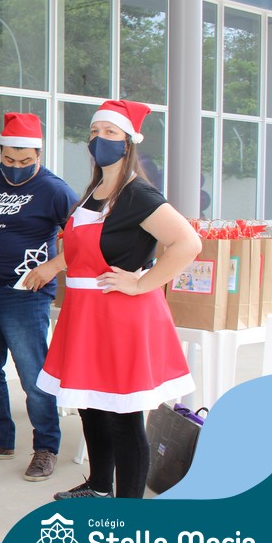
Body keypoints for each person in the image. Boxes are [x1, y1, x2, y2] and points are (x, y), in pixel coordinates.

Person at [34, 99, 200, 499]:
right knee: (91, 405)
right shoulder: (94, 191)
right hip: (85, 314)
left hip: (118, 316)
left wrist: (142, 284)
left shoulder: (137, 194)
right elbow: (79, 250)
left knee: (122, 415)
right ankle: (98, 487)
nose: (99, 139)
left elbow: (188, 243)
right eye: (95, 132)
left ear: (128, 143)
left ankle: (128, 509)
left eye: (110, 132)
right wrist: (54, 266)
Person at [0, 113, 78, 481]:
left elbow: (84, 238)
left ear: (39, 154)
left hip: (26, 296)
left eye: (25, 161)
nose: (16, 167)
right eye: (9, 159)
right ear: (0, 151)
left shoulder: (55, 190)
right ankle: (0, 438)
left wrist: (53, 267)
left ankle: (46, 448)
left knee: (33, 376)